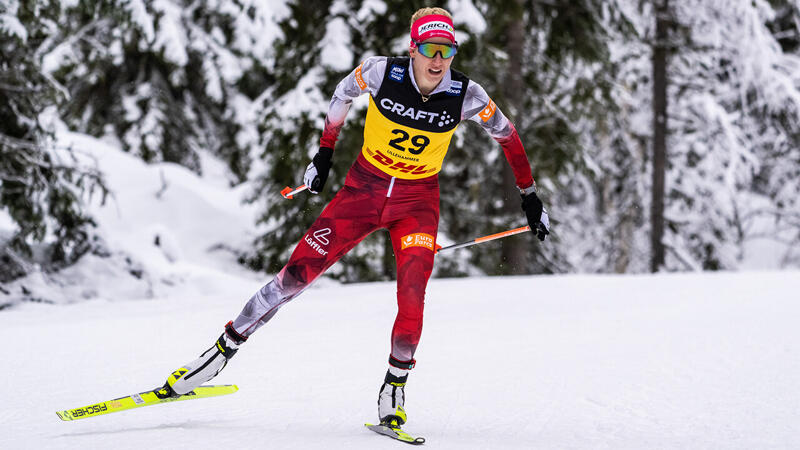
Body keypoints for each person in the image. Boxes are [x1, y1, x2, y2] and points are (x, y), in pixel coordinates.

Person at [160, 7, 550, 428]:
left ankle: (394, 387)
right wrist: (324, 153)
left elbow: (509, 139)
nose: (438, 61)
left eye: (447, 51)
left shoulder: (467, 94)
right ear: (413, 48)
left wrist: (529, 196)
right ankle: (220, 352)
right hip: (361, 192)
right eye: (430, 49)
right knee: (295, 277)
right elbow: (342, 95)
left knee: (413, 296)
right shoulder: (382, 74)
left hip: (417, 205)